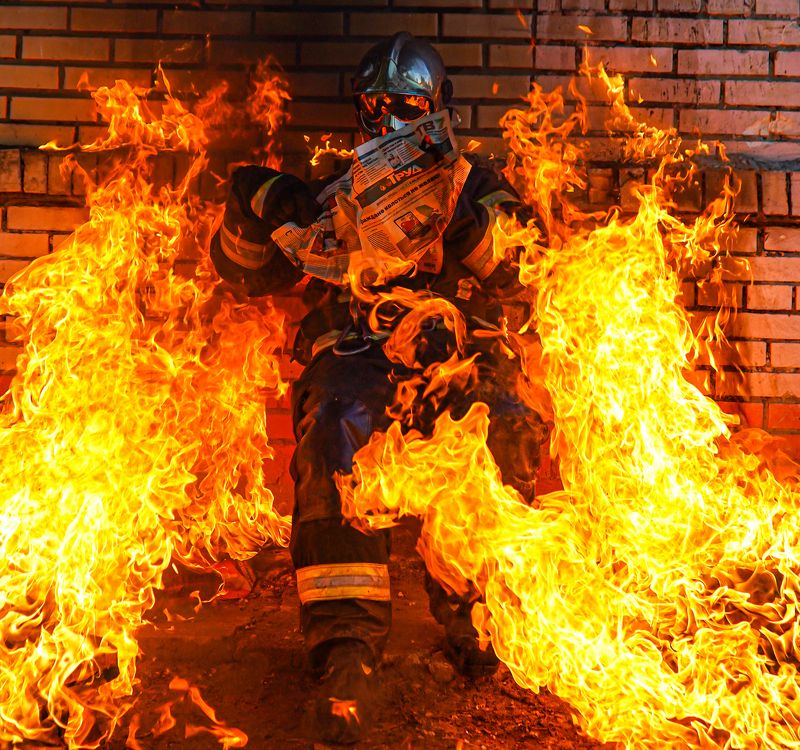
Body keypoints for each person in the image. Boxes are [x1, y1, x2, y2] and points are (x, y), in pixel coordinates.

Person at [210, 32, 546, 745]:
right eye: (376, 106)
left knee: (507, 424)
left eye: (406, 106)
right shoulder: (331, 185)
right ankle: (345, 650)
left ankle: (475, 621)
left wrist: (461, 224)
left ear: (435, 109)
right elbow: (245, 276)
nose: (389, 120)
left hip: (455, 362)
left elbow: (527, 270)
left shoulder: (474, 182)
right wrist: (259, 206)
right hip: (355, 357)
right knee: (334, 425)